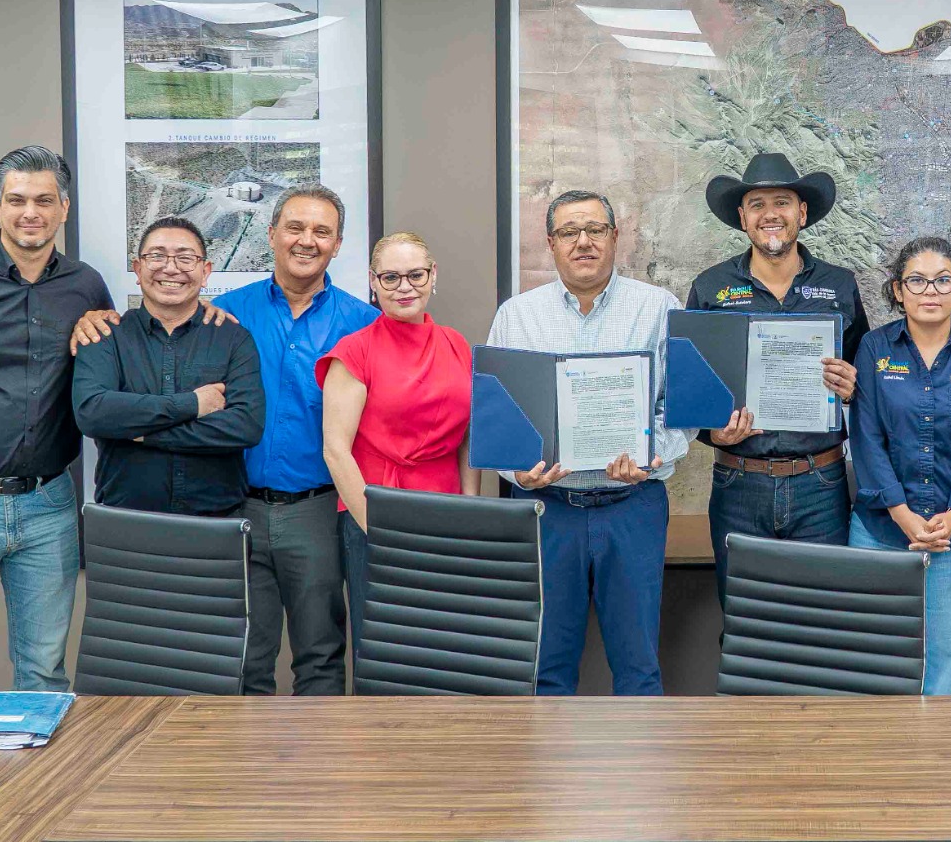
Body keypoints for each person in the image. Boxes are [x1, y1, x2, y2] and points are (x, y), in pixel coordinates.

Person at [488, 190, 689, 695]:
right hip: (546, 508)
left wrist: (653, 456)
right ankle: (545, 777)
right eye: (570, 232)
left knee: (639, 667)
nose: (584, 242)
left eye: (596, 230)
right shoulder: (518, 316)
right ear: (551, 243)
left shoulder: (659, 308)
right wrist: (518, 473)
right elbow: (499, 417)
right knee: (546, 668)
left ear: (615, 238)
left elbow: (680, 413)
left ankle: (642, 776)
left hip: (634, 506)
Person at [0, 146, 114, 690]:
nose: (32, 212)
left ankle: (46, 780)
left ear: (64, 208)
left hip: (49, 506)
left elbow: (111, 363)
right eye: (18, 200)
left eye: (45, 200)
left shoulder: (86, 285)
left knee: (44, 672)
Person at [213, 186, 375, 695]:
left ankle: (318, 775)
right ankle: (246, 774)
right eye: (295, 228)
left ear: (338, 243)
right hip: (236, 507)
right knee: (243, 658)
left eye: (322, 231)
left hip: (320, 512)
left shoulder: (364, 324)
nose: (307, 241)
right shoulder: (224, 314)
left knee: (322, 655)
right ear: (271, 235)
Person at [685, 153, 869, 601]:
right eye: (758, 203)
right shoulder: (710, 288)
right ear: (742, 217)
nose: (771, 214)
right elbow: (690, 390)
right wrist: (715, 434)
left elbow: (868, 380)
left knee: (822, 621)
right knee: (747, 623)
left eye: (783, 202)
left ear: (801, 213)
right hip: (738, 483)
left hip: (821, 486)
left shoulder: (839, 285)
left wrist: (853, 387)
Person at [848, 236, 951, 695]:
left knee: (946, 665)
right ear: (898, 290)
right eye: (917, 280)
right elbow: (867, 438)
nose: (929, 291)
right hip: (881, 533)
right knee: (876, 664)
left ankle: (941, 764)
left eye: (943, 280)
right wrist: (901, 512)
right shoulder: (875, 348)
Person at [317, 231, 472, 658]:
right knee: (385, 650)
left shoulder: (457, 345)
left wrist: (469, 507)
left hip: (446, 518)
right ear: (373, 281)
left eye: (415, 275)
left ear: (433, 275)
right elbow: (335, 449)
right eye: (390, 278)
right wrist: (378, 530)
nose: (405, 287)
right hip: (376, 516)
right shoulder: (355, 350)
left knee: (445, 646)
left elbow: (467, 436)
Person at [73, 215, 264, 515]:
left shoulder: (233, 339)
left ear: (205, 271)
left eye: (185, 258)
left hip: (216, 523)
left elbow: (245, 427)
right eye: (157, 256)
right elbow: (93, 413)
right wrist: (192, 404)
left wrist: (140, 431)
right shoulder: (105, 336)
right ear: (138, 269)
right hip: (126, 521)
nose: (171, 268)